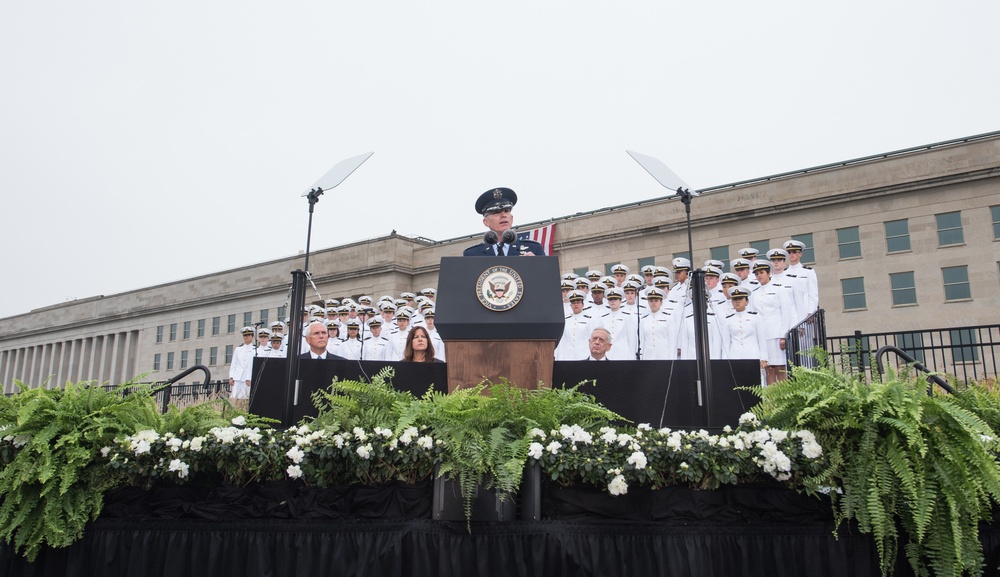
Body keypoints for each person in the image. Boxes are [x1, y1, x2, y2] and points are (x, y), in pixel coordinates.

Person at [463, 187, 545, 256]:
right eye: (496, 212)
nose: (503, 215)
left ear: (511, 218)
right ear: (486, 222)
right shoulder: (472, 254)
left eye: (506, 211)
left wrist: (535, 265)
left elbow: (547, 274)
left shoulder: (534, 249)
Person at [228, 326, 256, 399]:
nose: (247, 337)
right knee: (235, 397)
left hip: (247, 378)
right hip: (237, 377)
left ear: (252, 336)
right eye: (245, 335)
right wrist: (231, 377)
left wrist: (249, 378)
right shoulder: (238, 349)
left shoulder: (255, 349)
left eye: (249, 335)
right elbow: (234, 364)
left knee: (246, 397)